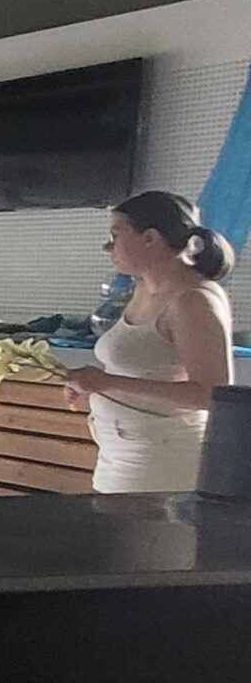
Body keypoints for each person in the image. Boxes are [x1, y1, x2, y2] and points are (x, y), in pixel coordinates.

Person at [62, 190, 236, 492]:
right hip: (119, 451)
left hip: (162, 459)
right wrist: (93, 383)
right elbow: (144, 367)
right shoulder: (143, 289)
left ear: (150, 238)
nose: (107, 247)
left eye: (116, 235)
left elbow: (212, 394)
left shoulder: (193, 300)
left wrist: (108, 383)